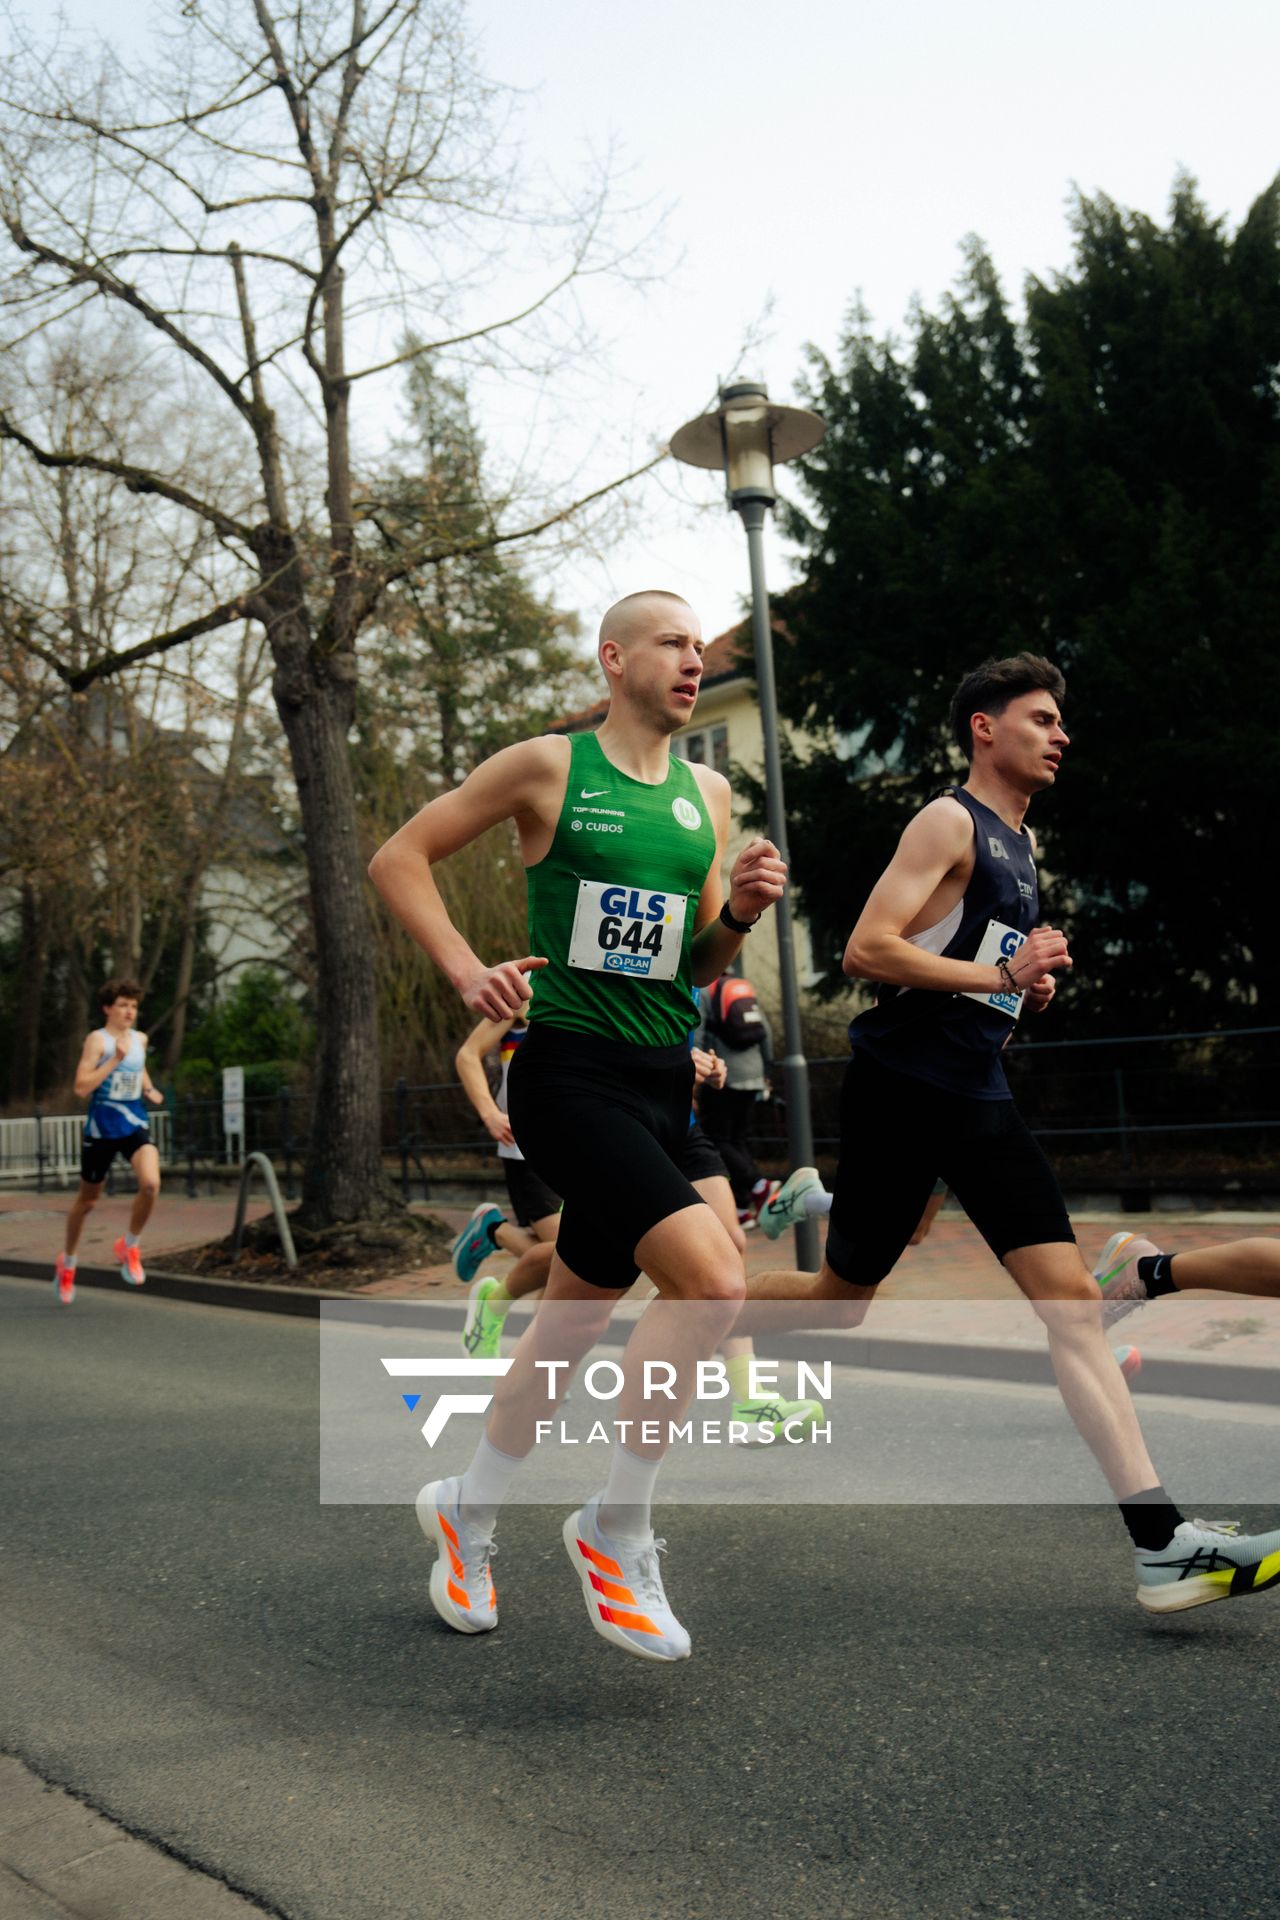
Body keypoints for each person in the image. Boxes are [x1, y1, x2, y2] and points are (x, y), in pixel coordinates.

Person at [736, 653, 1280, 1615]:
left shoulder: (1021, 849)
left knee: (1069, 1300)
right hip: (906, 1090)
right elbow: (870, 948)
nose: (1061, 733)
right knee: (838, 1301)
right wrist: (1000, 977)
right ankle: (700, 1303)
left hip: (973, 1092)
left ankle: (1163, 1546)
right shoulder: (949, 820)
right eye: (1041, 717)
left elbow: (959, 959)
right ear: (985, 728)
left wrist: (1021, 984)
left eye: (1061, 721)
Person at [369, 588, 786, 1661]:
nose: (693, 660)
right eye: (671, 643)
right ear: (613, 659)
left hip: (662, 1085)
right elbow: (397, 858)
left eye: (701, 646)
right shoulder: (549, 767)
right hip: (566, 1080)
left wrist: (736, 913)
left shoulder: (705, 794)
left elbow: (686, 965)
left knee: (562, 1332)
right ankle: (615, 1527)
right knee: (714, 1278)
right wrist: (465, 969)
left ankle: (466, 1506)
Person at [451, 1015, 561, 1354]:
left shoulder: (596, 991)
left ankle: (540, 1361)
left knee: (566, 1266)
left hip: (578, 1146)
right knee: (570, 1258)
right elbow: (468, 1055)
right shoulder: (525, 994)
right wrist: (490, 1113)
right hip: (527, 1148)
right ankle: (495, 1231)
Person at [52, 979, 166, 1304]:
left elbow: (138, 1065)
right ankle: (68, 1263)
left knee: (150, 1184)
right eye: (123, 1005)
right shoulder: (97, 1041)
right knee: (87, 1202)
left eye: (133, 1006)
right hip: (101, 1128)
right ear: (107, 1009)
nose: (130, 1011)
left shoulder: (140, 1039)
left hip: (133, 1122)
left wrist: (148, 1088)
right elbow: (80, 1087)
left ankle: (129, 1245)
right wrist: (113, 1060)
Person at [696, 975, 777, 1226]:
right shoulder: (741, 986)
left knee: (717, 1139)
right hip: (753, 1075)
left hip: (724, 1075)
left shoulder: (705, 991)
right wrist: (767, 1070)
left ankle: (758, 1185)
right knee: (737, 1139)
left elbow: (696, 1034)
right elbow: (766, 1033)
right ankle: (741, 1209)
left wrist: (694, 1076)